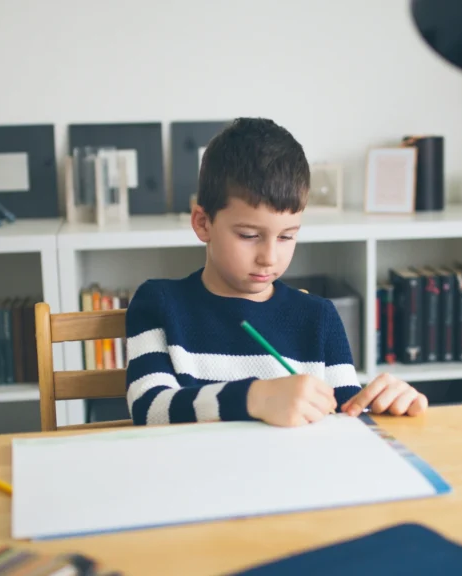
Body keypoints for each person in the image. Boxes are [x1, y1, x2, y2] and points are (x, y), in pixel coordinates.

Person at [124, 118, 428, 427]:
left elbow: (345, 421)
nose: (269, 258)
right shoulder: (159, 303)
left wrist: (383, 406)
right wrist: (255, 397)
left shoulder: (318, 318)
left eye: (286, 237)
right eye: (249, 236)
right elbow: (149, 408)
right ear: (203, 223)